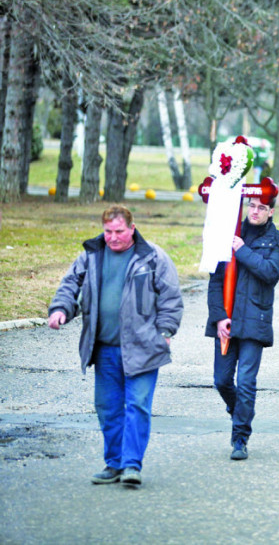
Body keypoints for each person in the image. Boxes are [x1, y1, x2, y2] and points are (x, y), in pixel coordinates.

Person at [48, 205, 183, 486]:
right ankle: (114, 464)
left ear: (132, 229)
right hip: (105, 347)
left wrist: (166, 330)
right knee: (108, 408)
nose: (113, 237)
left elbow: (170, 297)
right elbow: (70, 284)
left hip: (144, 348)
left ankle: (132, 465)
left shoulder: (152, 257)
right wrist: (61, 309)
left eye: (119, 231)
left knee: (137, 405)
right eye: (108, 231)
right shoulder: (92, 255)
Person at [206, 195, 279, 460]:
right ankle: (239, 412)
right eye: (251, 206)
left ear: (271, 211)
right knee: (221, 381)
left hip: (256, 321)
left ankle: (240, 437)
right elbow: (215, 281)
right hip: (227, 322)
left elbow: (270, 272)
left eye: (261, 207)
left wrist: (242, 250)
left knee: (245, 382)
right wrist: (219, 317)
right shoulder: (228, 234)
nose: (255, 211)